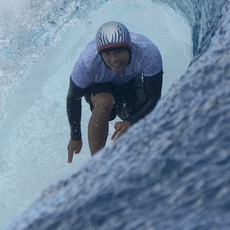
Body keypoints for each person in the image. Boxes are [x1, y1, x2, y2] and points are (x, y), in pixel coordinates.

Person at [66, 21, 163, 163]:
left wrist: (130, 121)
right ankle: (97, 163)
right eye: (108, 54)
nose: (114, 59)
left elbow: (153, 98)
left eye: (119, 52)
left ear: (129, 48)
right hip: (99, 87)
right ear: (100, 54)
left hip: (129, 82)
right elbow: (72, 99)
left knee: (139, 121)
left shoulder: (148, 53)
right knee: (106, 101)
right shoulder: (87, 63)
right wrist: (75, 136)